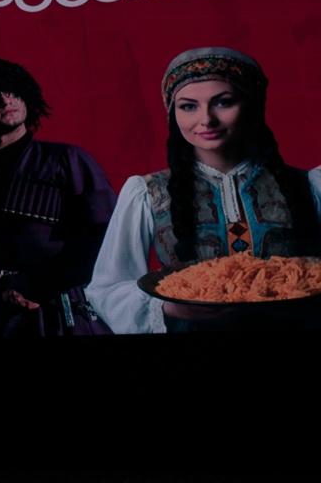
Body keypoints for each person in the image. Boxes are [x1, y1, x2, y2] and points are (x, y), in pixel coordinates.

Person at [86, 47, 321, 333]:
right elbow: (107, 289)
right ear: (173, 113)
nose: (206, 119)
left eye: (223, 102)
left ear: (253, 106)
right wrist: (172, 308)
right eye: (188, 106)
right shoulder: (147, 192)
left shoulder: (309, 184)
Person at [0, 59, 117, 338]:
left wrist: (36, 284)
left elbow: (107, 241)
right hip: (1, 326)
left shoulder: (68, 160)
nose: (5, 100)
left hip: (66, 319)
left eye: (12, 90)